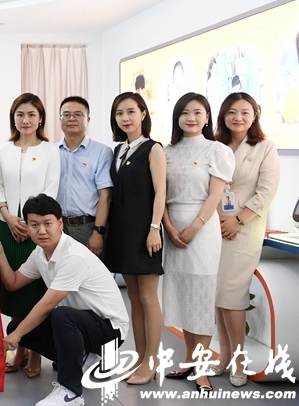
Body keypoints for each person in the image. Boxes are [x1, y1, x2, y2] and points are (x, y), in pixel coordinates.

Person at [0, 194, 129, 406]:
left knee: (59, 315)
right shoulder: (40, 253)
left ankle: (72, 393)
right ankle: (85, 357)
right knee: (17, 326)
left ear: (60, 224)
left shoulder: (73, 256)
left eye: (47, 223)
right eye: (34, 225)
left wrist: (16, 335)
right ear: (28, 227)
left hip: (110, 331)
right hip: (83, 324)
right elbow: (13, 283)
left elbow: (47, 305)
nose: (42, 231)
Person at [161, 93, 234, 393]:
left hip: (202, 229)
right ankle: (190, 359)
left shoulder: (217, 150)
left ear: (207, 117)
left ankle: (201, 369)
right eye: (184, 112)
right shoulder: (166, 151)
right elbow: (159, 194)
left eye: (197, 112)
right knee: (182, 294)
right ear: (177, 117)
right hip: (171, 226)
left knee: (201, 295)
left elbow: (215, 195)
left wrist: (195, 227)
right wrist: (168, 226)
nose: (191, 118)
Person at [212, 92, 280, 387]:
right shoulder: (215, 145)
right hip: (214, 226)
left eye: (244, 112)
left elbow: (266, 191)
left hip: (244, 227)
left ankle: (239, 360)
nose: (238, 117)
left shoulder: (265, 147)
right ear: (223, 116)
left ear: (255, 115)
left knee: (233, 294)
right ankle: (224, 355)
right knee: (217, 294)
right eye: (231, 112)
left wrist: (238, 220)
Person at [0, 93, 60, 378]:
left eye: (31, 115)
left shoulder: (50, 150)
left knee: (37, 290)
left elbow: (51, 190)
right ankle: (19, 350)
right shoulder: (2, 150)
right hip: (8, 227)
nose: (25, 120)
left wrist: (33, 225)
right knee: (14, 291)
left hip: (39, 230)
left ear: (40, 118)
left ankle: (35, 351)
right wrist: (9, 218)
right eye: (20, 114)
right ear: (13, 118)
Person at [104, 92, 167, 384]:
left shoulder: (153, 149)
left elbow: (161, 191)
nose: (125, 118)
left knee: (148, 296)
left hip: (145, 232)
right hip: (121, 232)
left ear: (143, 113)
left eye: (131, 111)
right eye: (119, 113)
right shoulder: (119, 150)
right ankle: (141, 358)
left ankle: (152, 361)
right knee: (133, 297)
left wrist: (154, 228)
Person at [55, 96, 112, 255]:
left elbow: (105, 196)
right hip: (57, 227)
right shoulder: (51, 151)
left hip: (87, 227)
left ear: (88, 119)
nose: (71, 118)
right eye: (66, 115)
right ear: (60, 119)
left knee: (88, 270)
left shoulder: (101, 152)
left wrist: (98, 232)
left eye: (78, 114)